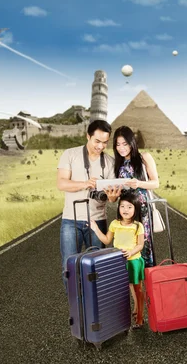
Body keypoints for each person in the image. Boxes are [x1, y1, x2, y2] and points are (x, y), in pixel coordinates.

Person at [57, 120, 122, 291]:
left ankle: (95, 306)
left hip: (98, 221)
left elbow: (111, 199)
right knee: (69, 267)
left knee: (97, 267)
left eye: (105, 142)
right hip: (71, 220)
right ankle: (76, 308)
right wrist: (85, 183)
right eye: (97, 141)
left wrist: (113, 198)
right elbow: (62, 184)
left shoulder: (109, 162)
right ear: (88, 136)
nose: (101, 146)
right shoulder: (69, 154)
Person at [90, 190, 145, 329]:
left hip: (133, 261)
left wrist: (131, 251)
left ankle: (140, 317)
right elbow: (107, 240)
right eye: (122, 206)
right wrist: (95, 228)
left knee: (136, 288)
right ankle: (123, 317)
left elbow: (140, 245)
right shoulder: (115, 224)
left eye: (129, 207)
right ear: (118, 207)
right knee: (122, 287)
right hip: (118, 262)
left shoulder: (138, 226)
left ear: (135, 209)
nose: (125, 210)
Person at [112, 126, 159, 268]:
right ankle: (131, 281)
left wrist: (139, 183)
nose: (121, 148)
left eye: (124, 144)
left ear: (132, 142)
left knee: (144, 244)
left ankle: (149, 280)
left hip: (142, 210)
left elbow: (156, 183)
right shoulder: (118, 163)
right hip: (125, 211)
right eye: (118, 145)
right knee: (126, 244)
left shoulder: (144, 157)